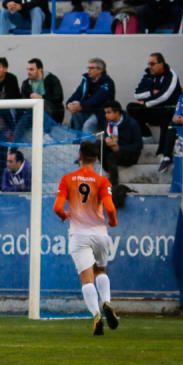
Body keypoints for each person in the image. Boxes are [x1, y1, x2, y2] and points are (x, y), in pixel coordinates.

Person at [53, 141, 119, 336]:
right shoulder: (102, 181)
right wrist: (113, 221)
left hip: (78, 234)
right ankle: (106, 300)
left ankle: (96, 314)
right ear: (96, 158)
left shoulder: (67, 179)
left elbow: (57, 207)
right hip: (99, 233)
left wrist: (65, 215)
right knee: (100, 270)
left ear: (79, 156)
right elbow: (110, 208)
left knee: (86, 277)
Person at [126, 52, 179, 140]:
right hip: (152, 108)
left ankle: (162, 150)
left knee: (165, 113)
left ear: (161, 64)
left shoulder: (171, 75)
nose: (150, 66)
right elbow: (137, 94)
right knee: (131, 107)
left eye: (152, 64)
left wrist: (146, 103)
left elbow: (164, 96)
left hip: (167, 109)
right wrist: (151, 93)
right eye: (149, 64)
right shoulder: (148, 75)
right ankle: (146, 135)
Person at [16, 57, 65, 139]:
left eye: (31, 69)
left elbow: (59, 97)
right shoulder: (26, 84)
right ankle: (14, 147)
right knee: (22, 121)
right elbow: (23, 102)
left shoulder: (52, 79)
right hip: (32, 114)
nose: (28, 72)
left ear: (40, 70)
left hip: (53, 113)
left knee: (44, 105)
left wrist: (41, 97)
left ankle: (45, 137)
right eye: (27, 70)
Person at [67, 57, 115, 135]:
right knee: (76, 114)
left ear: (100, 70)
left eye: (92, 68)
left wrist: (81, 106)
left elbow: (97, 99)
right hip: (87, 109)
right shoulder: (86, 80)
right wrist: (69, 104)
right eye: (88, 68)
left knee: (88, 125)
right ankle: (77, 141)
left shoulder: (107, 83)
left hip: (101, 112)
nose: (89, 70)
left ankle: (88, 145)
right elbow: (77, 94)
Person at [101, 100, 143, 187]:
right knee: (98, 145)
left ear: (117, 112)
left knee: (111, 157)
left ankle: (114, 185)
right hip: (113, 150)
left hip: (129, 154)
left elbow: (138, 145)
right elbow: (106, 136)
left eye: (109, 112)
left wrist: (120, 148)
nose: (106, 115)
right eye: (105, 113)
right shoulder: (108, 124)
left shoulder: (132, 123)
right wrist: (107, 142)